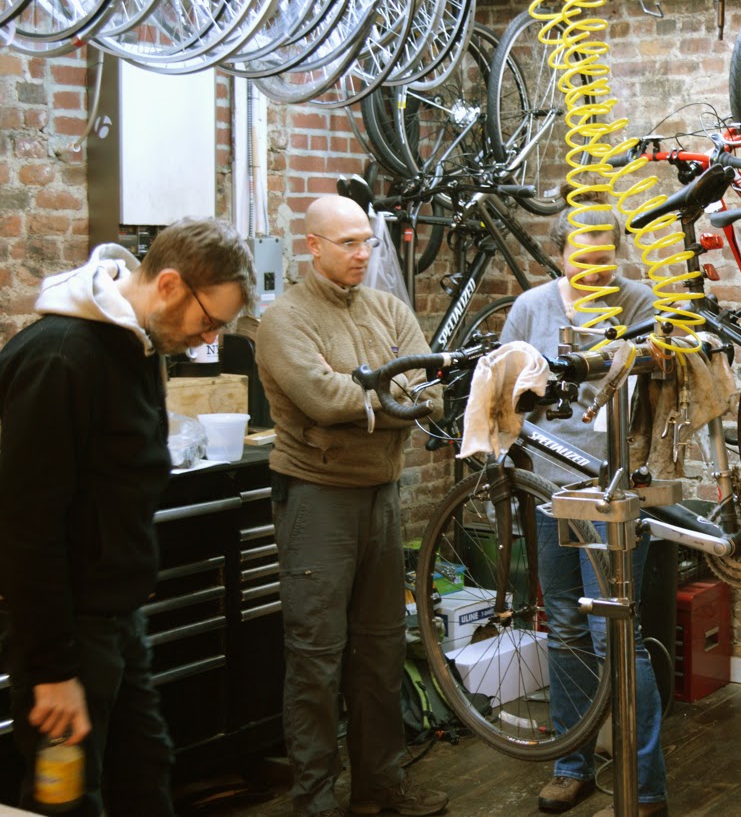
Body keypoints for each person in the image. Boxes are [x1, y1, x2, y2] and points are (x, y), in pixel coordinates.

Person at [0, 218, 256, 816]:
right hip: (68, 637)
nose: (205, 339)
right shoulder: (61, 359)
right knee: (65, 798)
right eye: (207, 321)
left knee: (144, 774)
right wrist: (54, 670)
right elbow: (26, 529)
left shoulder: (134, 344)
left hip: (116, 623)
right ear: (169, 284)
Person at [255, 195, 445, 817]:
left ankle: (380, 791)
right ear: (313, 246)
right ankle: (315, 800)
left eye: (369, 242)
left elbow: (433, 395)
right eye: (349, 243)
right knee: (316, 656)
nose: (364, 253)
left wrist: (369, 401)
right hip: (317, 499)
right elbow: (324, 399)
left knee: (382, 647)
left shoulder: (389, 308)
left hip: (380, 496)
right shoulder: (286, 319)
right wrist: (387, 402)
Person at [497, 196, 668, 817]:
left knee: (615, 633)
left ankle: (645, 785)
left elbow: (654, 376)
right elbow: (502, 381)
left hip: (614, 489)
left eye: (606, 257)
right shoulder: (531, 307)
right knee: (565, 627)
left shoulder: (638, 301)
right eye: (581, 258)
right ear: (559, 254)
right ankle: (572, 764)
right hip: (548, 491)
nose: (595, 270)